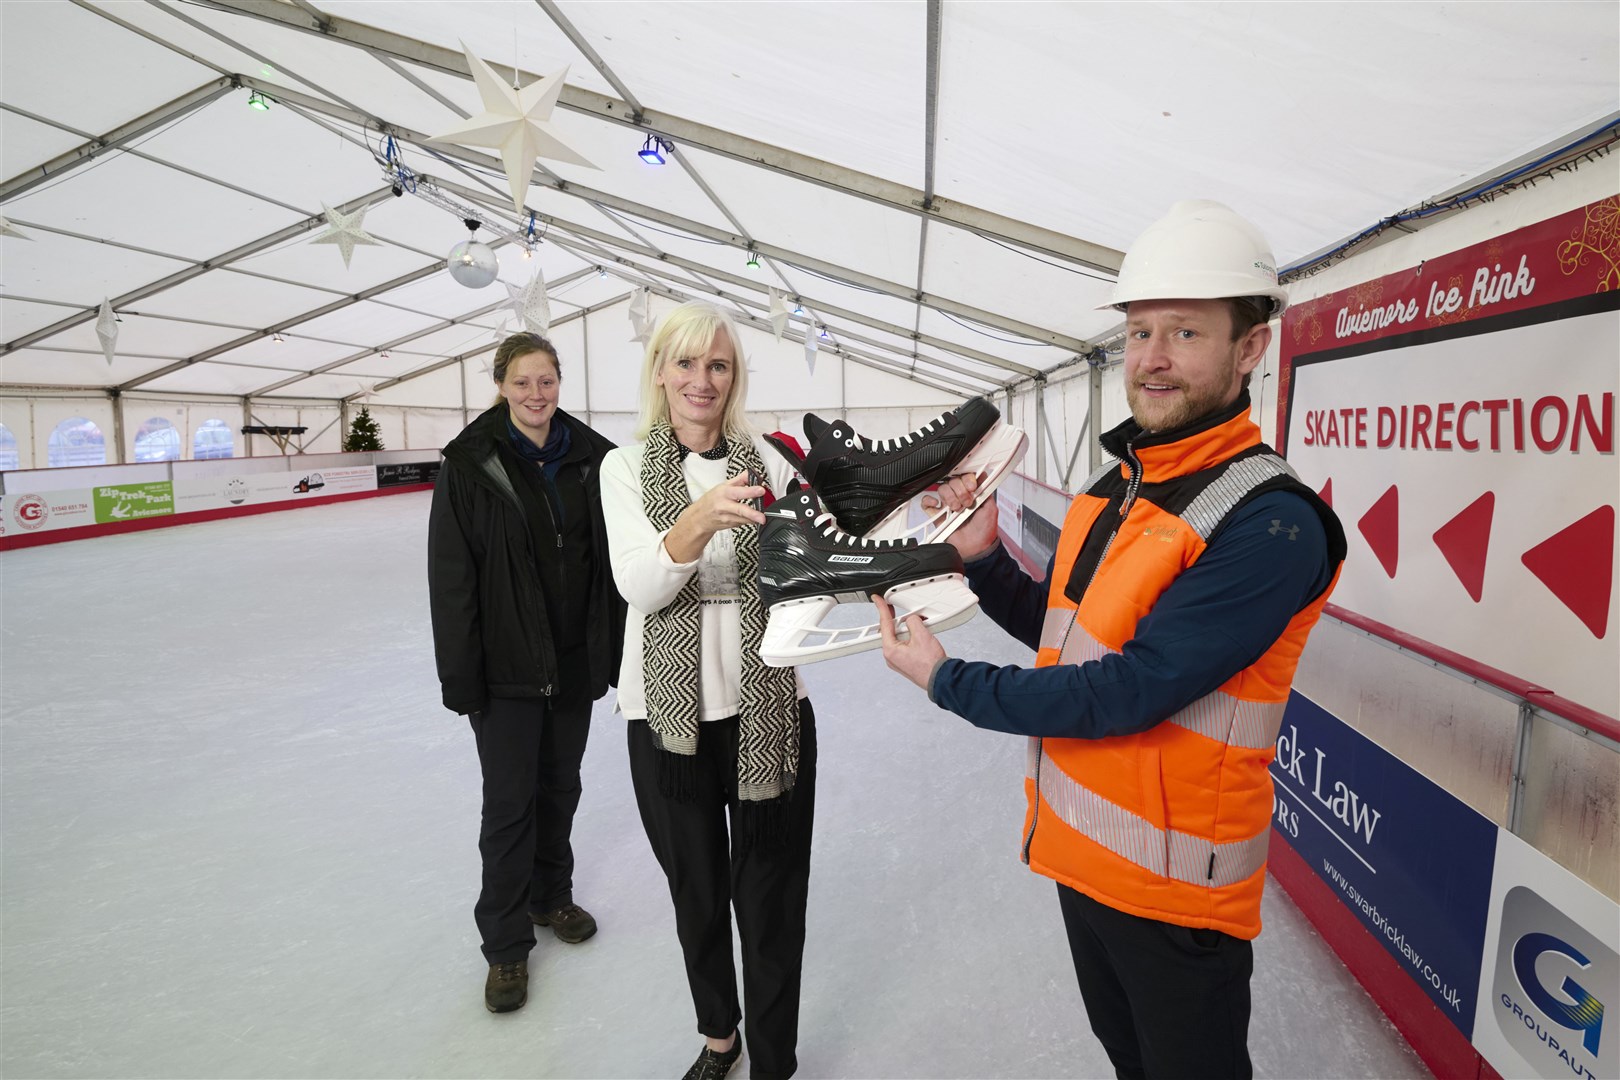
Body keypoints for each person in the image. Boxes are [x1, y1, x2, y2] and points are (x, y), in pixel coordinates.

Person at [874, 201, 1348, 1080]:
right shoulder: (1118, 484)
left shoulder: (1270, 525)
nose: (1152, 360)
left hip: (1175, 896)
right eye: (1138, 333)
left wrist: (951, 682)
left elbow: (1131, 687)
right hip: (1082, 859)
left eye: (1184, 333)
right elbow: (1069, 634)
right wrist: (983, 562)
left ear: (1251, 349)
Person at [601, 301, 814, 1080]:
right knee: (697, 891)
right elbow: (640, 584)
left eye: (717, 365)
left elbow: (808, 578)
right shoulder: (623, 468)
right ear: (661, 371)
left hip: (769, 715)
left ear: (735, 377)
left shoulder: (772, 464)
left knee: (771, 900)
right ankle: (719, 1035)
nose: (702, 380)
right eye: (686, 363)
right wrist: (697, 522)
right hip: (666, 719)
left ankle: (774, 1060)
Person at [427, 331, 625, 1014]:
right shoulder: (471, 463)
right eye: (522, 383)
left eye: (546, 382)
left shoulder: (596, 459)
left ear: (559, 383)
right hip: (505, 668)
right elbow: (452, 577)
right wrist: (462, 676)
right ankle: (506, 947)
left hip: (571, 661)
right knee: (510, 805)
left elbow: (611, 568)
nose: (535, 395)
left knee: (559, 787)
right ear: (501, 386)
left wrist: (617, 655)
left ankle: (551, 898)